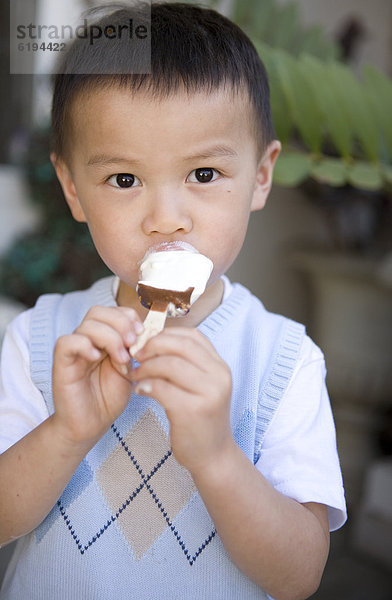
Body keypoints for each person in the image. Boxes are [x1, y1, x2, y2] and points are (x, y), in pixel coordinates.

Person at [0, 3, 346, 599]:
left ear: (261, 176)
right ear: (72, 189)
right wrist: (67, 431)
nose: (166, 219)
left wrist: (216, 457)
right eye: (125, 180)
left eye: (205, 174)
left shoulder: (285, 361)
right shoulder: (41, 338)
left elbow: (299, 575)